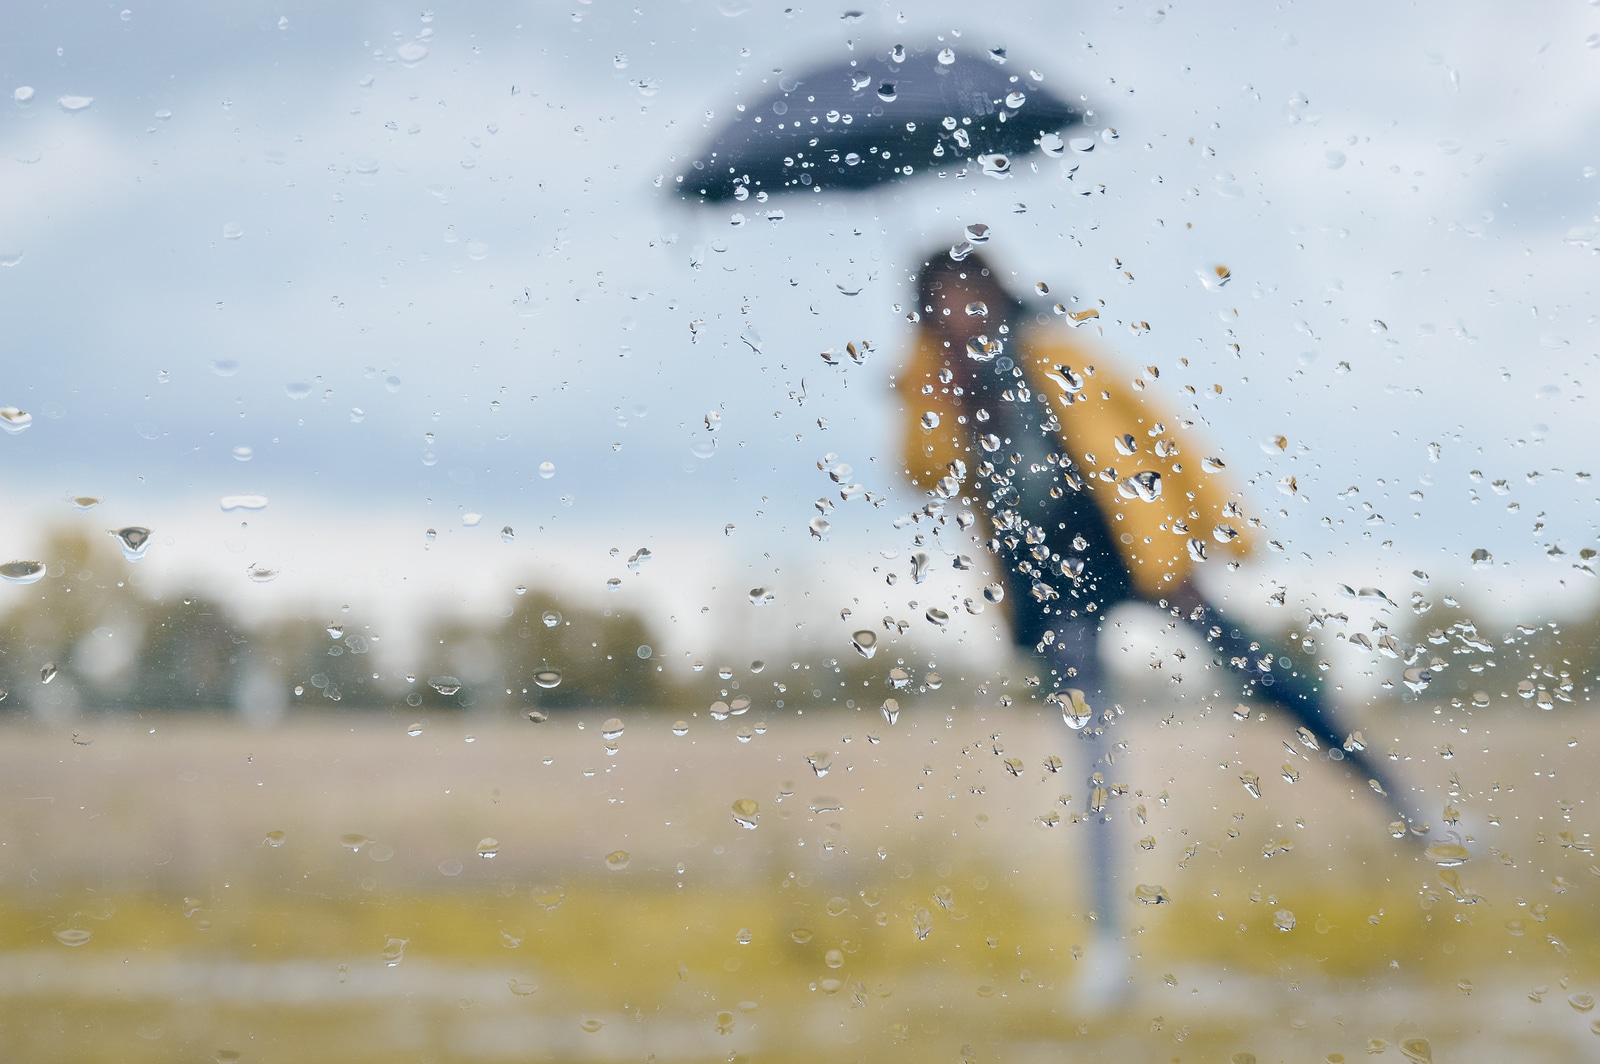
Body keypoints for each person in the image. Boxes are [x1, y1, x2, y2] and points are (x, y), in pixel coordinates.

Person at [895, 250, 1419, 993]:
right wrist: (933, 379)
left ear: (994, 290)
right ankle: (1110, 945)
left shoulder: (1054, 348)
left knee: (1259, 672)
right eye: (940, 303)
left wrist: (1221, 520)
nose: (958, 312)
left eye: (967, 293)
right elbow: (918, 470)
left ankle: (1408, 807)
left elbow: (1155, 428)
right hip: (1048, 577)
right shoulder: (937, 382)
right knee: (1092, 747)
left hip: (1131, 541)